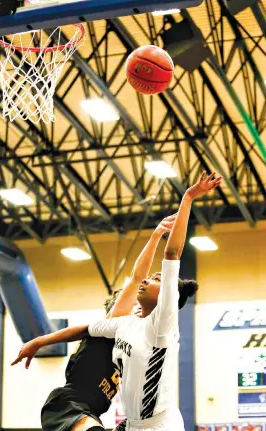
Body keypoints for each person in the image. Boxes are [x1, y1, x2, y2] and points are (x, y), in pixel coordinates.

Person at [12, 215, 180, 431]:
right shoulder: (115, 327)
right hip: (68, 407)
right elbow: (137, 277)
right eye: (132, 306)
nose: (136, 309)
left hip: (93, 415)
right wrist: (38, 342)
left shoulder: (137, 347)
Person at [87, 171, 222, 431]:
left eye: (158, 279)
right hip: (134, 423)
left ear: (167, 297)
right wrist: (40, 342)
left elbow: (172, 252)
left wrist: (188, 197)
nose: (148, 280)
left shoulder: (162, 324)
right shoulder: (126, 324)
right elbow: (137, 276)